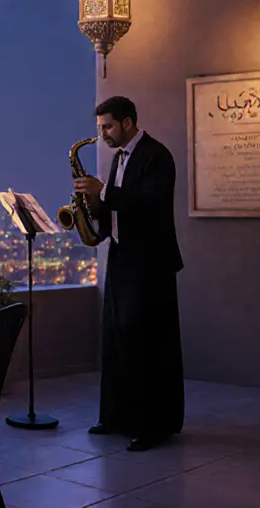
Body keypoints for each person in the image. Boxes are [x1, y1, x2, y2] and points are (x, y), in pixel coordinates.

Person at [73, 96, 185, 452]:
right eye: (100, 127)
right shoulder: (118, 158)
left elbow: (150, 202)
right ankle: (116, 417)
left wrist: (103, 191)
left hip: (150, 262)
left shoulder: (158, 156)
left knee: (147, 345)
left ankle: (152, 426)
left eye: (107, 126)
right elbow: (119, 208)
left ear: (128, 122)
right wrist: (93, 208)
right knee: (117, 339)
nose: (103, 133)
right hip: (122, 257)